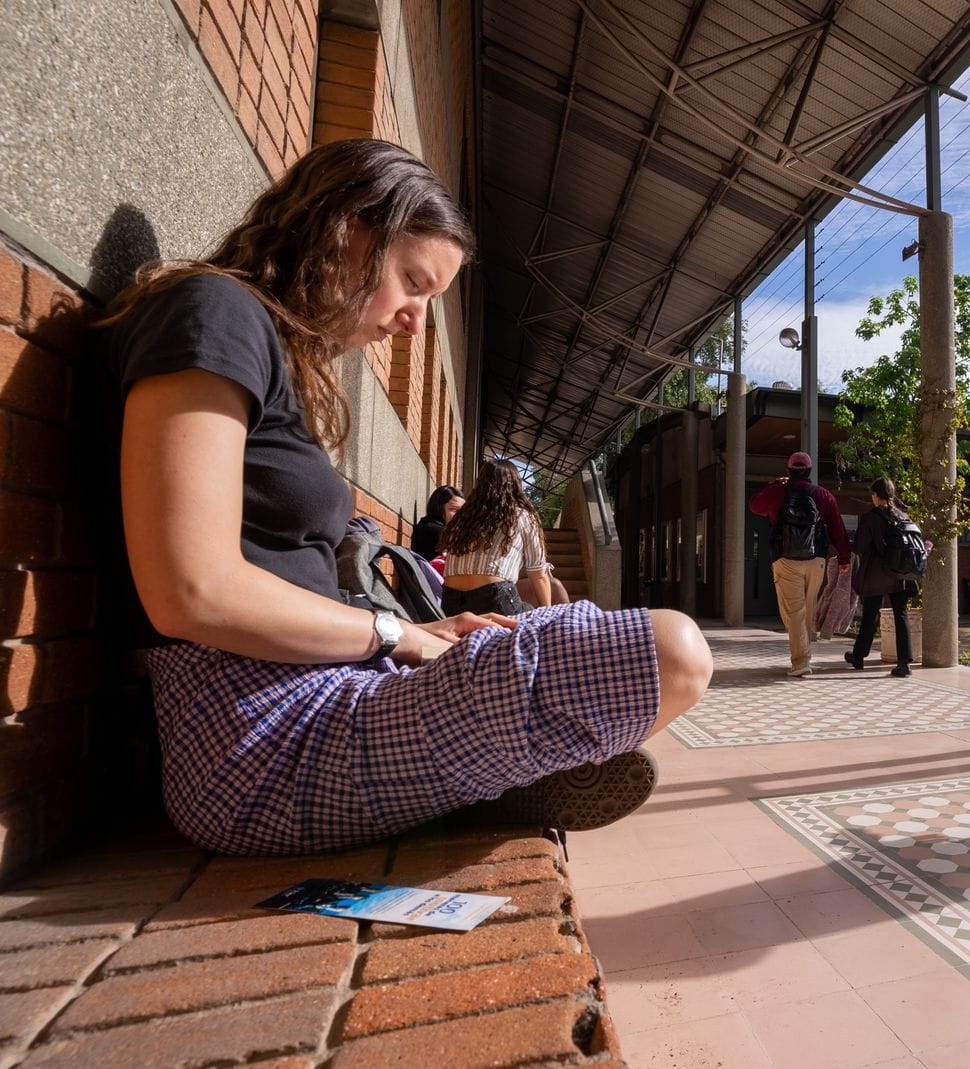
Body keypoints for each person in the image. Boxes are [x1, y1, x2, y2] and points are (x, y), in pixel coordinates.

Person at [97, 138, 711, 855]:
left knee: (545, 636)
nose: (416, 320)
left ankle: (496, 773)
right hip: (258, 743)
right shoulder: (210, 313)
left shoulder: (258, 346)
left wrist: (427, 638)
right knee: (673, 650)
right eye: (413, 282)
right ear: (347, 231)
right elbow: (189, 592)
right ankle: (502, 776)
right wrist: (401, 635)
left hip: (320, 691)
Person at [750, 451, 850, 677]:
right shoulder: (824, 496)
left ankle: (801, 661)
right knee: (806, 608)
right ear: (810, 470)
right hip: (816, 560)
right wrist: (844, 558)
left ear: (789, 470)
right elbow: (837, 528)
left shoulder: (778, 491)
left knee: (794, 611)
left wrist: (775, 484)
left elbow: (755, 505)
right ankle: (803, 654)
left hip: (786, 560)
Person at [439, 459, 555, 616]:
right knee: (541, 610)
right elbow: (538, 574)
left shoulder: (462, 517)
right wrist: (547, 614)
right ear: (515, 485)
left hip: (451, 603)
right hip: (494, 600)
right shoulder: (522, 515)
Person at [844, 478, 919, 677]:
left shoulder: (870, 518)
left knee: (870, 614)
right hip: (900, 573)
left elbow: (859, 547)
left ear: (876, 496)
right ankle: (904, 662)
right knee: (900, 614)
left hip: (876, 573)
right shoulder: (903, 516)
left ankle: (859, 656)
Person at [411, 485, 463, 561]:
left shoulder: (426, 525)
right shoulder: (437, 531)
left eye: (462, 511)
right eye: (454, 510)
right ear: (439, 508)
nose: (460, 515)